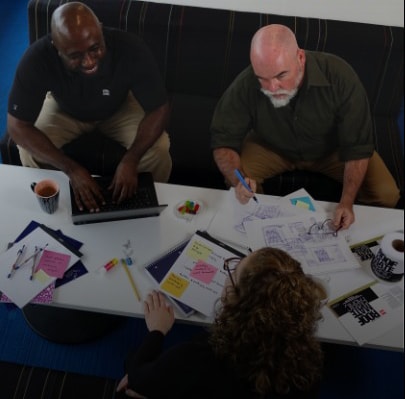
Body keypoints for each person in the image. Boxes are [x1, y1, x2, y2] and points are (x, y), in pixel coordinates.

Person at [210, 24, 400, 230]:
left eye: (281, 75)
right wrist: (239, 183)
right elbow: (223, 140)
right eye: (262, 79)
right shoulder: (246, 82)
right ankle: (261, 225)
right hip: (272, 147)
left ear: (300, 58)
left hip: (333, 150)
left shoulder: (340, 76)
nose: (272, 88)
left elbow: (357, 146)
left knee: (386, 193)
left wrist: (346, 202)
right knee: (237, 183)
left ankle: (350, 229)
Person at [7, 2, 171, 212]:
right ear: (57, 48)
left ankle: (146, 199)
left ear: (101, 30)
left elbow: (159, 107)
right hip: (64, 109)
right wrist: (71, 169)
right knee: (30, 152)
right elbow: (18, 126)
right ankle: (62, 204)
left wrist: (131, 160)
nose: (88, 62)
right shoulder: (36, 59)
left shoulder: (130, 48)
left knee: (159, 148)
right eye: (75, 56)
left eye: (95, 48)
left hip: (119, 108)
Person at [116, 247, 324, 399]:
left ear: (234, 296)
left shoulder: (200, 357)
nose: (228, 275)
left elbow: (136, 376)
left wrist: (157, 331)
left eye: (233, 272)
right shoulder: (307, 362)